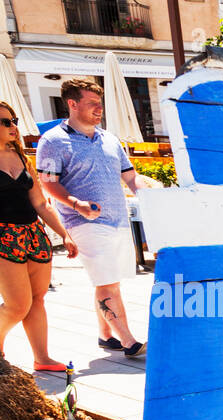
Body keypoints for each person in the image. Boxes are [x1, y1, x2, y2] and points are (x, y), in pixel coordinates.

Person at [35, 78, 151, 359]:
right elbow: (48, 182)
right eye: (92, 104)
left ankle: (105, 335)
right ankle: (128, 341)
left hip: (118, 220)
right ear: (72, 104)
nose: (99, 109)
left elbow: (130, 177)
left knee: (108, 281)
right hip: (82, 222)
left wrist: (151, 194)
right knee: (107, 282)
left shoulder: (109, 139)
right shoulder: (53, 140)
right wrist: (78, 205)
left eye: (100, 104)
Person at [0, 101, 78, 372]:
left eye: (14, 121)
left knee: (38, 298)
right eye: (5, 122)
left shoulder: (20, 156)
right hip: (3, 238)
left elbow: (40, 203)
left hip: (33, 234)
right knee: (17, 305)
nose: (13, 127)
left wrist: (64, 234)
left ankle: (42, 358)